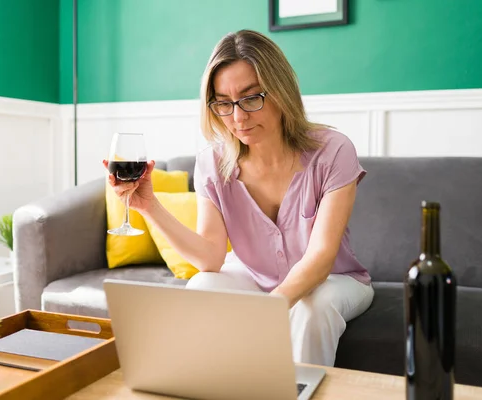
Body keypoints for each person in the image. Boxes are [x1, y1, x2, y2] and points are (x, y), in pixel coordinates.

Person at [104, 29, 374, 367]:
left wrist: (269, 309)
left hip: (335, 281)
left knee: (312, 309)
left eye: (250, 98)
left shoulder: (332, 150)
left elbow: (321, 256)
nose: (238, 117)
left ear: (280, 91)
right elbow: (211, 259)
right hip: (255, 279)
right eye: (224, 103)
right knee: (202, 285)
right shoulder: (212, 164)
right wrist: (149, 206)